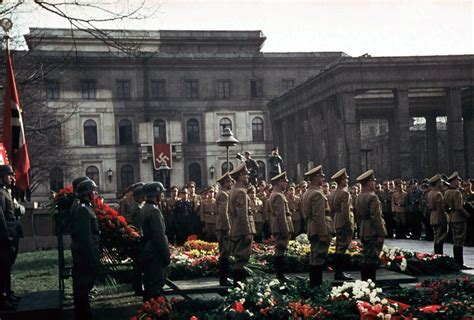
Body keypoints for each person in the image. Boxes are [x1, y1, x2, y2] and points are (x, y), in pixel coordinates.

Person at [71, 179, 100, 320]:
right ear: (87, 193)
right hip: (85, 256)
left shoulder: (84, 206)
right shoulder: (83, 209)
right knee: (82, 292)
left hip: (85, 255)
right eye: (93, 191)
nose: (95, 193)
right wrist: (92, 258)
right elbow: (85, 238)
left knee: (83, 292)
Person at [301, 165, 331, 287]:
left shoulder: (308, 192)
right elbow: (319, 216)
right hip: (319, 229)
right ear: (315, 178)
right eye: (321, 176)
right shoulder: (317, 194)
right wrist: (323, 233)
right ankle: (316, 286)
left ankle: (313, 285)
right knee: (318, 257)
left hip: (312, 227)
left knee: (314, 257)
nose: (323, 179)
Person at [140, 182, 170, 301]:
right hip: (155, 251)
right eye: (161, 193)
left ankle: (148, 309)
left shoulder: (145, 208)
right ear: (156, 195)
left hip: (148, 249)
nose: (162, 195)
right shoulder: (154, 211)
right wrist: (166, 255)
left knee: (149, 282)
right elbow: (159, 236)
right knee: (156, 284)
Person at [355, 169, 386, 282]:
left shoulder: (359, 196)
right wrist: (381, 233)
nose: (375, 184)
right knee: (372, 258)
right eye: (373, 181)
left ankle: (364, 282)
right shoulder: (372, 197)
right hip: (372, 230)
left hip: (364, 227)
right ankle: (371, 283)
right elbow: (376, 218)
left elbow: (358, 216)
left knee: (366, 257)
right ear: (368, 183)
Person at [228, 163, 255, 286]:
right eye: (245, 174)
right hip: (241, 229)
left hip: (236, 227)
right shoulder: (240, 192)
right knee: (242, 258)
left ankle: (238, 284)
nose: (248, 176)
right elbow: (242, 214)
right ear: (240, 176)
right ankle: (239, 285)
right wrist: (247, 232)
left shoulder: (235, 190)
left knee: (239, 257)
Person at [330, 168, 354, 281]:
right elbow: (346, 212)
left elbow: (332, 209)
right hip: (344, 221)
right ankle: (339, 273)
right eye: (345, 178)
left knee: (339, 246)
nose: (347, 180)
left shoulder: (335, 193)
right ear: (341, 180)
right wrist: (349, 225)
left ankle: (337, 272)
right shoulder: (345, 193)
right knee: (342, 247)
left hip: (337, 220)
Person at [269, 172, 293, 282]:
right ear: (279, 182)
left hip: (277, 225)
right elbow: (280, 215)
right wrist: (285, 230)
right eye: (284, 181)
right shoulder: (278, 195)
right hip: (281, 226)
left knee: (279, 250)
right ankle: (280, 276)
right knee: (280, 250)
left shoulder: (275, 194)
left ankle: (280, 275)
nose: (286, 183)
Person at [0, 165, 18, 310]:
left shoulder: (6, 192)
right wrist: (6, 236)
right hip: (4, 238)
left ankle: (8, 293)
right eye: (9, 175)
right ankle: (3, 298)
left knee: (7, 267)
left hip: (10, 234)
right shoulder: (0, 193)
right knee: (2, 268)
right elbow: (0, 219)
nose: (12, 178)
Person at [444, 172, 471, 269]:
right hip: (459, 218)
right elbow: (459, 207)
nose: (459, 182)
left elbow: (445, 207)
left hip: (452, 217)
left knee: (456, 240)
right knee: (460, 241)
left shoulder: (446, 192)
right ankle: (459, 263)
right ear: (454, 182)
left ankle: (457, 262)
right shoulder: (457, 192)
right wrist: (468, 215)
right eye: (458, 181)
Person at [215, 172, 233, 286]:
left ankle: (224, 279)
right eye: (229, 181)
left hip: (222, 226)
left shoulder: (224, 193)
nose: (231, 183)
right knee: (225, 253)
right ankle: (223, 279)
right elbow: (223, 213)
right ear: (225, 183)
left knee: (225, 252)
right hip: (223, 227)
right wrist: (228, 228)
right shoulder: (223, 195)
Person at [427, 174, 448, 255]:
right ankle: (439, 256)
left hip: (433, 216)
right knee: (440, 239)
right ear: (437, 183)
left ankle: (436, 255)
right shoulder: (438, 194)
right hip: (438, 217)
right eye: (440, 182)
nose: (442, 183)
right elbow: (440, 210)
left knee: (436, 238)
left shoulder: (430, 193)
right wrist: (443, 222)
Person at [462, 179, 474, 246]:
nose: (467, 187)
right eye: (465, 185)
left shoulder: (472, 195)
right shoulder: (462, 195)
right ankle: (467, 240)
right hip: (465, 215)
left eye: (468, 185)